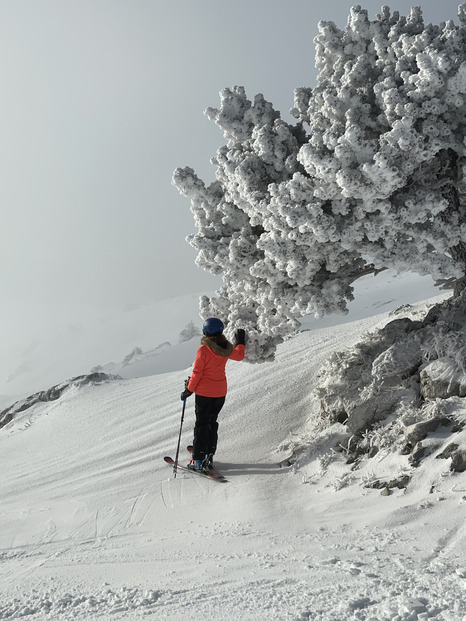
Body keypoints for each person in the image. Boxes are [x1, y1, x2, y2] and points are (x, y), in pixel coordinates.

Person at [180, 317, 246, 471]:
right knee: (212, 423)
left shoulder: (204, 349)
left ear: (205, 331)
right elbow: (239, 356)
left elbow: (197, 373)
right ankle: (208, 455)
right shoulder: (225, 347)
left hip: (204, 394)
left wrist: (188, 390)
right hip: (220, 393)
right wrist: (241, 342)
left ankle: (197, 460)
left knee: (201, 426)